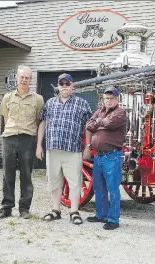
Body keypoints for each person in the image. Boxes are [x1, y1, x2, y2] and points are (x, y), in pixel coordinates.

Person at [36, 73, 92, 225]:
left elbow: (89, 125)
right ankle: (56, 210)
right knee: (54, 181)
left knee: (74, 182)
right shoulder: (50, 103)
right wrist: (39, 145)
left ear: (73, 86)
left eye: (68, 84)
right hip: (53, 149)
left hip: (72, 150)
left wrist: (88, 145)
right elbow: (42, 123)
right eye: (62, 84)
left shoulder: (81, 103)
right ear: (58, 86)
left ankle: (74, 211)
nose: (65, 86)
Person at [0, 65, 44, 219]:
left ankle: (24, 208)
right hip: (9, 137)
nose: (24, 80)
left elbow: (39, 120)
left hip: (27, 139)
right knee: (8, 174)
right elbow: (5, 116)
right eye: (22, 77)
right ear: (17, 78)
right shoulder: (7, 97)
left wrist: (36, 143)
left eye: (27, 78)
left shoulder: (38, 99)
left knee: (26, 174)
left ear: (30, 80)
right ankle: (6, 207)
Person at [86, 87, 128, 230]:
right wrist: (100, 122)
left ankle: (113, 219)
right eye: (106, 98)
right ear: (103, 99)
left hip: (112, 156)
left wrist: (98, 123)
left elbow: (109, 123)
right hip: (98, 156)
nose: (108, 101)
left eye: (111, 98)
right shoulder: (100, 111)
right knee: (99, 187)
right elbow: (89, 125)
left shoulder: (120, 112)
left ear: (117, 99)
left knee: (112, 189)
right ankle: (101, 215)